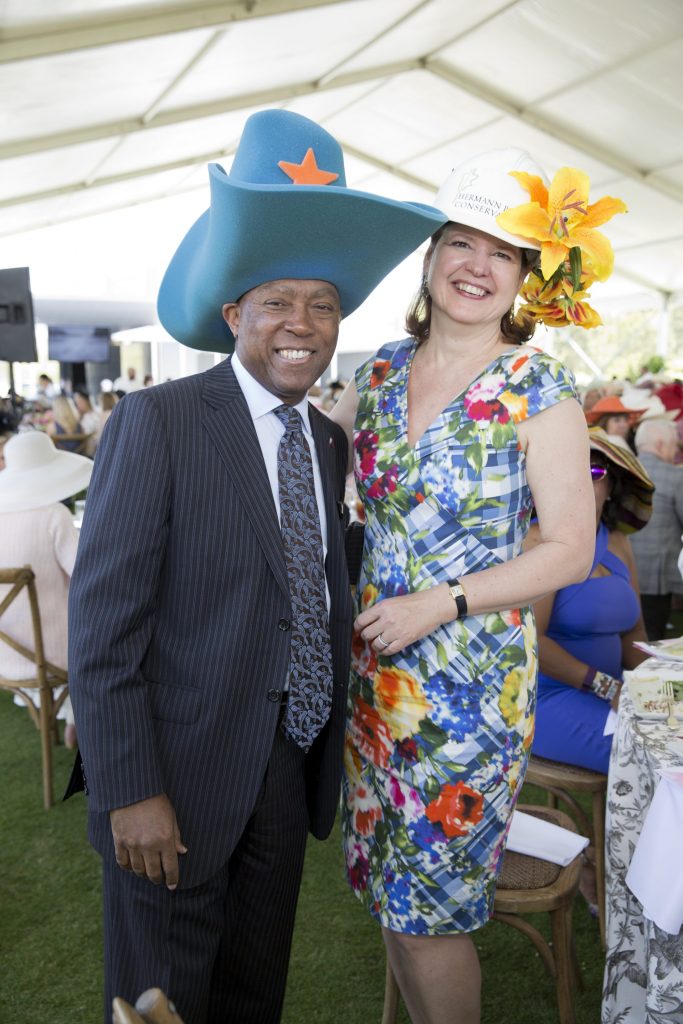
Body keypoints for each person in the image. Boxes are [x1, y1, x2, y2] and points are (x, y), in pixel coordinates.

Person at [67, 108, 444, 1024]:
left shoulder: (322, 440)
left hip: (286, 765)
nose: (301, 325)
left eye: (321, 306)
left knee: (250, 995)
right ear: (233, 313)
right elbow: (102, 625)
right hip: (175, 772)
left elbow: (305, 587)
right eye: (276, 302)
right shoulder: (156, 422)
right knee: (160, 1002)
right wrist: (131, 790)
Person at [330, 146, 621, 1023]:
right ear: (429, 258)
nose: (477, 266)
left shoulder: (540, 387)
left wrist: (444, 599)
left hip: (467, 688)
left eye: (502, 252)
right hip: (373, 678)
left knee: (430, 915)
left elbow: (569, 548)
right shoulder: (375, 372)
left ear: (524, 278)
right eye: (461, 242)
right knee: (390, 888)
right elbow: (305, 481)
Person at [530, 427, 653, 774]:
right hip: (550, 700)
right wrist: (606, 686)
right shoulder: (538, 541)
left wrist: (658, 688)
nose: (581, 480)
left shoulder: (617, 543)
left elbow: (635, 632)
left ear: (611, 486)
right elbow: (532, 642)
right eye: (570, 467)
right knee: (647, 756)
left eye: (595, 471)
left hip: (614, 695)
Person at [0, 431, 93, 749]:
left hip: (7, 653)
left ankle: (67, 715)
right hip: (57, 655)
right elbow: (87, 576)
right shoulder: (54, 516)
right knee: (98, 623)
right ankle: (77, 718)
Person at [630, 417, 683, 639]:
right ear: (660, 444)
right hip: (658, 575)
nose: (675, 453)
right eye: (674, 446)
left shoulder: (623, 471)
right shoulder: (675, 476)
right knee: (654, 636)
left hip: (623, 569)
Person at [73, 388, 102, 456]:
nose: (78, 405)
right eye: (77, 403)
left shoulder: (97, 412)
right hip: (87, 449)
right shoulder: (79, 418)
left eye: (80, 402)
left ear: (87, 401)